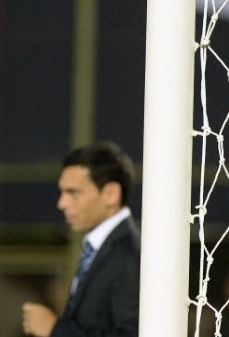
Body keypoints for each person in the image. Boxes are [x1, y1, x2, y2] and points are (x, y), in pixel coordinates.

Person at [22, 141, 141, 336]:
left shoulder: (130, 254)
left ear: (111, 194)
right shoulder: (101, 247)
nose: (62, 203)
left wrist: (55, 329)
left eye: (73, 193)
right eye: (62, 192)